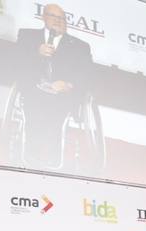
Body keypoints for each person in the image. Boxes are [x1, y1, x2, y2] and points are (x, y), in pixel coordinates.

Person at [14, 3, 93, 168]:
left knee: (56, 114)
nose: (58, 21)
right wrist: (36, 53)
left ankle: (53, 158)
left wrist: (69, 84)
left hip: (62, 94)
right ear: (44, 17)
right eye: (53, 17)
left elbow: (86, 74)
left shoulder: (80, 46)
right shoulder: (27, 36)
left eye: (62, 18)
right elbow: (15, 62)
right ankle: (31, 155)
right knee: (34, 109)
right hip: (34, 89)